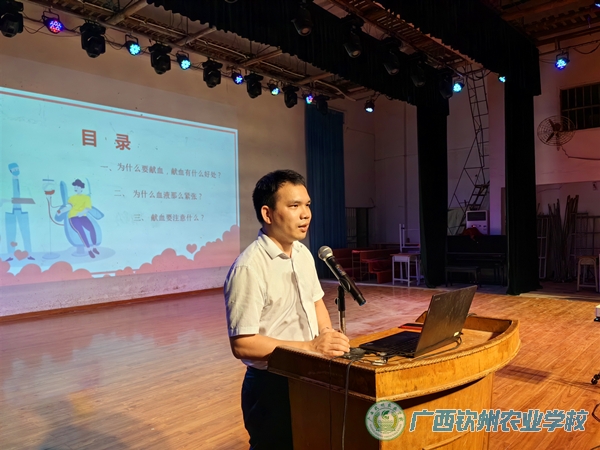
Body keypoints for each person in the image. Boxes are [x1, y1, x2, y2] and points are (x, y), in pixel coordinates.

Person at [224, 169, 350, 450]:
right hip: (271, 385)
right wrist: (310, 347)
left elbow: (316, 301)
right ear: (267, 214)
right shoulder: (249, 267)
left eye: (307, 205)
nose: (305, 214)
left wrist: (327, 335)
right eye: (294, 206)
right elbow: (243, 344)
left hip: (309, 374)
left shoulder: (303, 253)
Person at [58, 179, 99, 258]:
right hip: (73, 217)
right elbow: (69, 207)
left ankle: (94, 247)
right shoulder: (72, 198)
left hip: (83, 216)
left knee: (92, 229)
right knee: (81, 231)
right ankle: (89, 250)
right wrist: (61, 211)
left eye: (77, 186)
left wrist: (81, 213)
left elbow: (87, 208)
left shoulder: (86, 198)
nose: (75, 188)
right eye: (75, 186)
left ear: (81, 187)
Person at [4, 163, 34, 261]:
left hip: (22, 210)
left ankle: (29, 254)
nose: (16, 171)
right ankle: (11, 255)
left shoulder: (24, 182)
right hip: (11, 211)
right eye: (14, 169)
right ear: (10, 171)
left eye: (17, 168)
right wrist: (9, 201)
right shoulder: (5, 183)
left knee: (26, 232)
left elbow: (30, 196)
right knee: (10, 233)